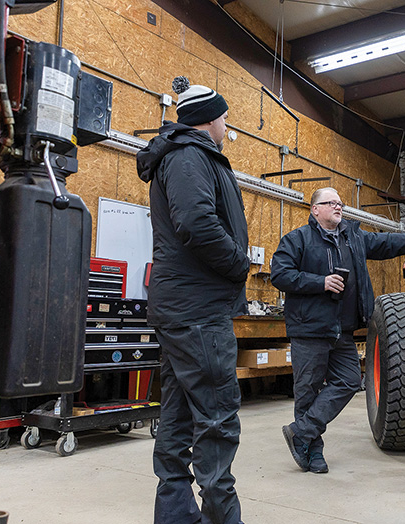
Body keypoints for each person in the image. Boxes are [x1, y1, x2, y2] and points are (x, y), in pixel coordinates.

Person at [271, 187, 405, 473]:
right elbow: (280, 274)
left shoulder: (353, 237)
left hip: (342, 330)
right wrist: (320, 283)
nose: (338, 207)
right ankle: (313, 452)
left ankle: (301, 431)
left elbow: (387, 243)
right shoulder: (298, 239)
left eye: (340, 203)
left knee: (351, 379)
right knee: (308, 392)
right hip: (310, 330)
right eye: (330, 203)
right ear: (315, 210)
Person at [137, 76, 249, 524]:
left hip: (186, 308)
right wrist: (240, 264)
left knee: (180, 417)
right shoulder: (188, 156)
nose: (227, 124)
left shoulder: (189, 155)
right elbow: (197, 224)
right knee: (217, 420)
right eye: (224, 116)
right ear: (210, 119)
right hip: (198, 311)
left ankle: (177, 517)